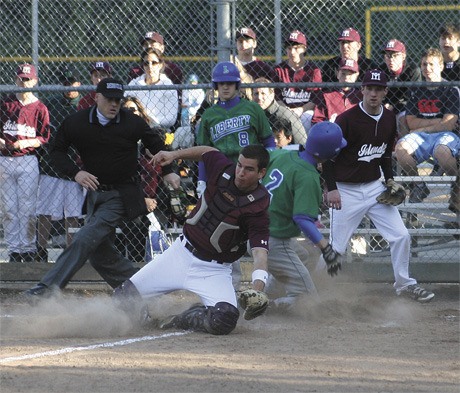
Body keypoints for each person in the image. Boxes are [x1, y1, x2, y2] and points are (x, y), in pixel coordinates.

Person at [24, 78, 180, 298]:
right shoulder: (77, 123)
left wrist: (169, 170)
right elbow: (57, 151)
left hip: (122, 194)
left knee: (84, 238)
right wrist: (76, 173)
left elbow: (156, 145)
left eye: (118, 100)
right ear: (96, 97)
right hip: (94, 195)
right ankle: (138, 292)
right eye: (108, 99)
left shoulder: (131, 122)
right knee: (99, 254)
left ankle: (46, 289)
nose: (114, 105)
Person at [113, 144, 271, 335]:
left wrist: (258, 289)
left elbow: (260, 253)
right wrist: (173, 154)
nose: (240, 172)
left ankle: (184, 319)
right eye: (239, 165)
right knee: (122, 298)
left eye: (249, 169)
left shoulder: (258, 208)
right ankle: (143, 314)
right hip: (180, 254)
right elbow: (207, 152)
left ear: (261, 173)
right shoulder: (223, 169)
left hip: (214, 270)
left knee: (224, 319)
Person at [322, 69, 435, 303]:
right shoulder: (346, 120)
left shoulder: (388, 119)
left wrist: (390, 180)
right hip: (345, 190)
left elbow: (384, 155)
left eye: (378, 89)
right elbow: (328, 158)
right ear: (361, 89)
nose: (373, 93)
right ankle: (317, 289)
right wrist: (331, 188)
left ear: (385, 92)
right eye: (369, 88)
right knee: (336, 248)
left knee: (401, 235)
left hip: (374, 187)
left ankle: (405, 285)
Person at [262, 122, 346, 310]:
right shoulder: (308, 176)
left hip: (259, 231)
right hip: (274, 240)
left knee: (303, 255)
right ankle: (266, 306)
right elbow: (302, 219)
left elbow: (264, 158)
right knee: (308, 301)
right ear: (329, 154)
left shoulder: (285, 154)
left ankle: (270, 291)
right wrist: (326, 248)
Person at [395, 48, 459, 204]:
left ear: (441, 66)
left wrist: (423, 127)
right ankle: (419, 185)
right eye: (424, 64)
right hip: (420, 136)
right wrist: (438, 122)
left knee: (442, 152)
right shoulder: (416, 89)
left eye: (432, 64)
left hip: (445, 136)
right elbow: (410, 122)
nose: (427, 68)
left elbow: (449, 125)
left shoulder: (451, 89)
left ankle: (456, 185)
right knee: (400, 150)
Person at [0, 64, 50, 263]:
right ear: (15, 79)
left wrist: (25, 142)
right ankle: (14, 250)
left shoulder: (40, 107)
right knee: (9, 208)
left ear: (35, 81)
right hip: (4, 159)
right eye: (21, 78)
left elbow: (44, 137)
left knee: (28, 208)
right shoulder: (5, 103)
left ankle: (28, 249)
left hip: (28, 159)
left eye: (28, 79)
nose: (24, 82)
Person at [36, 65, 86, 263]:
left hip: (75, 168)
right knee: (44, 211)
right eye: (66, 83)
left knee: (72, 214)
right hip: (51, 167)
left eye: (73, 83)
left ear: (79, 84)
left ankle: (70, 252)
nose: (69, 87)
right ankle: (41, 250)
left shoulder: (84, 104)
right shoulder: (50, 104)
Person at [273, 30, 322, 133]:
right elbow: (276, 97)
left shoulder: (314, 70)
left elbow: (315, 99)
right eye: (289, 48)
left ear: (304, 49)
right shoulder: (279, 70)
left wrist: (300, 110)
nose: (292, 52)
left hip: (305, 111)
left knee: (306, 118)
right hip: (284, 109)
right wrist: (286, 111)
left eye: (296, 48)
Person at [128, 48, 179, 130]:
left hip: (160, 131)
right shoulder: (134, 84)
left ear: (160, 65)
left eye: (154, 63)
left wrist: (149, 120)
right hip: (136, 128)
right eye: (146, 63)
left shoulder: (168, 86)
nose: (150, 66)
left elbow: (171, 119)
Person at [378, 39, 421, 134]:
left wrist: (394, 106)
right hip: (384, 107)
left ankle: (402, 146)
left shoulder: (412, 70)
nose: (391, 59)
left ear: (403, 56)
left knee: (402, 119)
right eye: (387, 56)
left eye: (395, 55)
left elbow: (413, 98)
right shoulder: (381, 70)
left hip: (406, 108)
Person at [252, 77, 307, 145]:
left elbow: (302, 145)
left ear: (272, 95)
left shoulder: (286, 116)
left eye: (263, 93)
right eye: (256, 94)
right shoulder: (251, 115)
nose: (259, 97)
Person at [311, 58, 362, 125]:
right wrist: (328, 125)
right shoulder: (326, 95)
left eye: (350, 74)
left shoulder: (361, 96)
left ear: (356, 75)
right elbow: (317, 120)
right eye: (343, 74)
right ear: (337, 74)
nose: (346, 77)